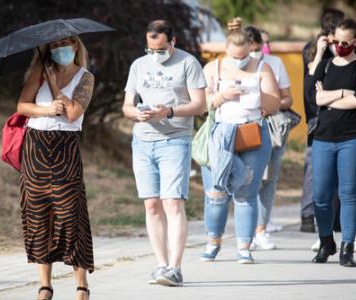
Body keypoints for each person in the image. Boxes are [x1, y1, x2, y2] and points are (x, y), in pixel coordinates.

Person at [122, 20, 206, 287]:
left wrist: (168, 112)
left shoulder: (188, 63)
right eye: (150, 50)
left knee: (173, 203)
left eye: (160, 50)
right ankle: (161, 265)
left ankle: (175, 268)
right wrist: (136, 113)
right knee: (151, 204)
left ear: (173, 42)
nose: (155, 55)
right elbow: (127, 105)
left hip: (175, 140)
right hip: (143, 142)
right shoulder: (138, 65)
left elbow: (200, 105)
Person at [17, 34, 95, 300]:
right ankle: (45, 285)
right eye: (54, 45)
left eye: (65, 44)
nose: (60, 49)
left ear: (75, 46)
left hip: (65, 147)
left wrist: (54, 85)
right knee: (39, 215)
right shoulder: (39, 70)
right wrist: (48, 109)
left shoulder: (85, 77)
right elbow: (22, 106)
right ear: (48, 50)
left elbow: (73, 113)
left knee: (72, 215)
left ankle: (81, 285)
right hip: (36, 146)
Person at [198, 26, 280, 264]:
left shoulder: (262, 68)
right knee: (216, 192)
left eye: (244, 56)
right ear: (226, 50)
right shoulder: (213, 68)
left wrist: (255, 93)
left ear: (251, 50)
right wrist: (223, 96)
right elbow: (202, 102)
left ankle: (244, 247)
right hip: (221, 136)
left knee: (246, 193)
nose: (240, 60)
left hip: (252, 134)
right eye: (235, 56)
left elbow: (274, 104)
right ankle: (213, 242)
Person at [307, 19, 356, 267]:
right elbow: (313, 97)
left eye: (345, 42)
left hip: (353, 138)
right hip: (324, 137)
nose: (340, 46)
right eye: (336, 41)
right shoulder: (324, 65)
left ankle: (348, 247)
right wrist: (343, 92)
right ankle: (326, 242)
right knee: (321, 197)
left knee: (349, 194)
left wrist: (329, 97)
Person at [244, 26, 293, 250]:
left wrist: (269, 105)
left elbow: (287, 99)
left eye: (255, 48)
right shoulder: (229, 65)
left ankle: (261, 229)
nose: (252, 53)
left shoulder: (274, 64)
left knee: (267, 180)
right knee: (245, 180)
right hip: (241, 128)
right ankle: (245, 231)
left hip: (270, 128)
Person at [300, 8, 346, 234]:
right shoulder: (313, 49)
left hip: (332, 114)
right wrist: (325, 50)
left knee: (329, 167)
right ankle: (309, 215)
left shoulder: (339, 49)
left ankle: (328, 216)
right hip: (318, 115)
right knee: (315, 167)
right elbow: (312, 76)